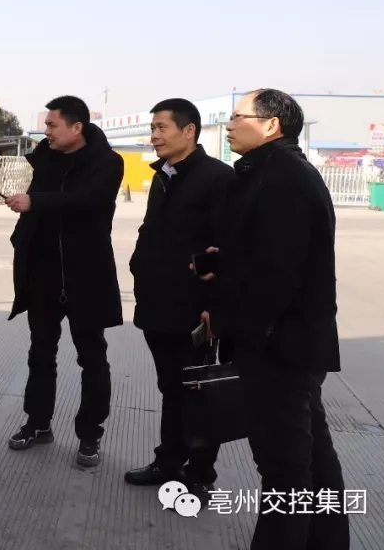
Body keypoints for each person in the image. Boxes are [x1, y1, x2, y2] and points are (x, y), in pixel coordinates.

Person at [199, 89, 348, 549]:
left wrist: (240, 326)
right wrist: (220, 263)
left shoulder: (283, 178)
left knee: (285, 468)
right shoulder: (270, 172)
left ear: (270, 125)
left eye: (238, 116)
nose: (229, 124)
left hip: (278, 345)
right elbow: (264, 252)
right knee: (311, 456)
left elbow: (278, 272)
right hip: (288, 341)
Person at [5, 95, 125, 467]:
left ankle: (90, 435)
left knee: (92, 358)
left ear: (76, 127)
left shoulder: (108, 162)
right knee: (40, 354)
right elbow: (38, 203)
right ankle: (37, 424)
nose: (46, 131)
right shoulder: (47, 157)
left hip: (85, 275)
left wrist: (35, 202)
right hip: (44, 274)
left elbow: (89, 201)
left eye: (52, 124)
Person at [124, 99, 234, 497]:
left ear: (189, 131)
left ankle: (200, 474)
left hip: (193, 308)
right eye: (152, 128)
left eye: (162, 127)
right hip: (158, 302)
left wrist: (213, 306)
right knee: (171, 387)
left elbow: (225, 248)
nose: (154, 135)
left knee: (198, 392)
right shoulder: (164, 175)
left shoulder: (217, 178)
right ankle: (168, 461)